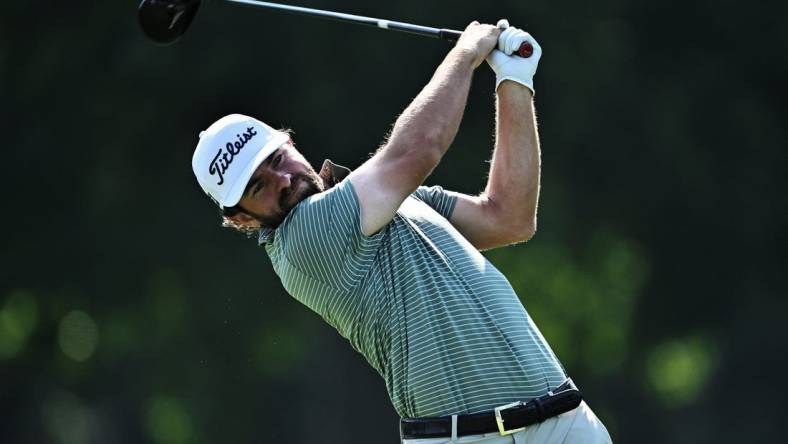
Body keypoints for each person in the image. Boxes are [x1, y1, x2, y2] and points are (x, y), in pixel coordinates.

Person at [192, 20, 612, 444]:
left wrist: (513, 80)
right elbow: (418, 149)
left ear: (291, 142)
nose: (282, 180)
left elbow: (509, 217)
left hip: (565, 420)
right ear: (242, 219)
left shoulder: (386, 202)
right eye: (258, 186)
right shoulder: (303, 240)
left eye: (277, 159)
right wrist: (466, 53)